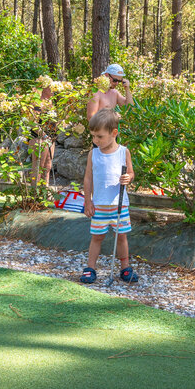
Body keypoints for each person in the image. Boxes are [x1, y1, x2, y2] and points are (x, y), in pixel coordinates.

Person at [79, 109, 139, 285]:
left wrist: (129, 177)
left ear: (114, 133)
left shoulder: (123, 152)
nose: (95, 141)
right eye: (93, 136)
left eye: (99, 137)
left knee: (121, 236)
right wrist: (88, 201)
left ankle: (125, 268)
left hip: (119, 204)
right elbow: (88, 177)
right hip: (100, 205)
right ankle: (90, 268)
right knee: (96, 237)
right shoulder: (94, 153)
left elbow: (131, 172)